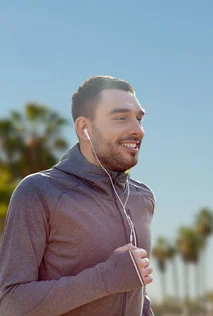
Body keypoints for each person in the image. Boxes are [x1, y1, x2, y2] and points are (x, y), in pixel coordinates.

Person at [0, 75, 156, 316]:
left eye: (138, 119)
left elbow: (135, 293)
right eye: (120, 118)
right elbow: (10, 304)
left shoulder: (142, 197)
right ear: (84, 128)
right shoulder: (39, 192)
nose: (137, 130)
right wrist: (106, 278)